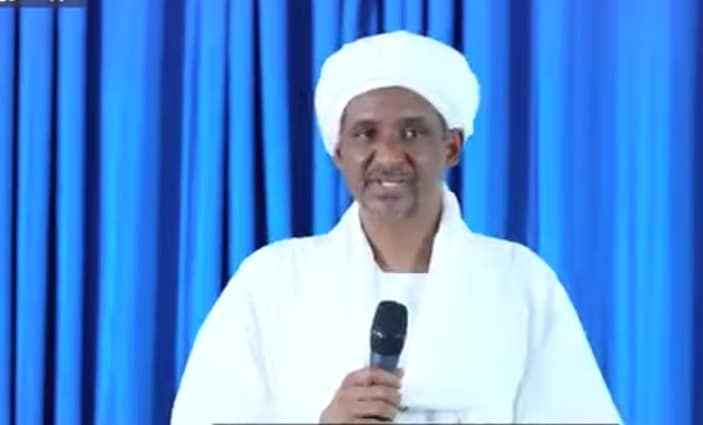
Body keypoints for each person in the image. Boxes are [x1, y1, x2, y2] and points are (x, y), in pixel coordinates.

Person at [170, 30, 623, 424]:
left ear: (451, 146)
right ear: (338, 151)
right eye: (365, 134)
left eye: (411, 133)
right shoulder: (272, 282)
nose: (388, 156)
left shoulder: (519, 281)